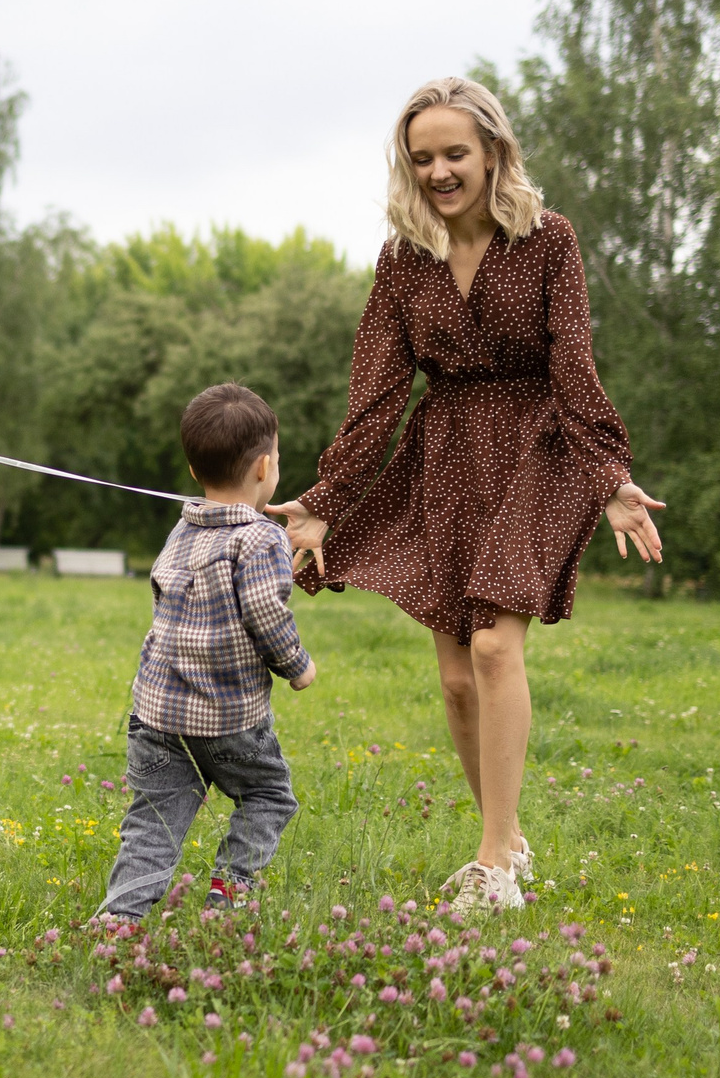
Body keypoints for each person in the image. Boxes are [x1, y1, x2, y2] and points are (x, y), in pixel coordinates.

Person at [266, 77, 665, 910]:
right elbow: (377, 389)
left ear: (492, 152)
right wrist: (327, 496)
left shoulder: (549, 240)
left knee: (493, 648)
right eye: (423, 159)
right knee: (454, 678)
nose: (440, 171)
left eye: (455, 153)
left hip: (539, 450)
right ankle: (509, 841)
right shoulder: (403, 260)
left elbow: (574, 370)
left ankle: (490, 865)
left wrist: (610, 478)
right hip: (444, 455)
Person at [96, 383, 318, 922]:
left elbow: (212, 591)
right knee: (268, 798)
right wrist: (298, 666)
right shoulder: (260, 538)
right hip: (227, 717)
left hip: (157, 712)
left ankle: (118, 922)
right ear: (265, 467)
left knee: (154, 820)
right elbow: (264, 613)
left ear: (195, 471)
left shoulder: (183, 526)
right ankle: (227, 898)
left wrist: (275, 568)